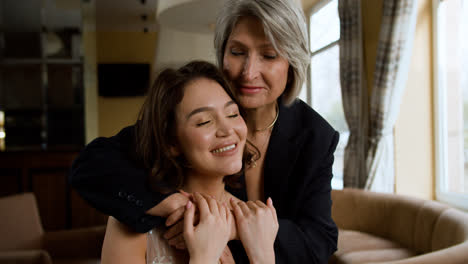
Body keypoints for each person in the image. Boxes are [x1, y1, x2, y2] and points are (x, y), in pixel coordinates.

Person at [70, 0, 339, 263]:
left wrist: (234, 225)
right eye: (237, 52)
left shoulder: (316, 136)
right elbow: (91, 166)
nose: (249, 72)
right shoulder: (191, 112)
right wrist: (174, 204)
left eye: (269, 55)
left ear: (292, 64)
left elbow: (319, 241)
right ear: (222, 53)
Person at [101, 61, 279, 264]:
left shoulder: (251, 222)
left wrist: (263, 255)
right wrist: (204, 257)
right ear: (171, 142)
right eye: (204, 121)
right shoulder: (131, 222)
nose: (228, 130)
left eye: (232, 114)